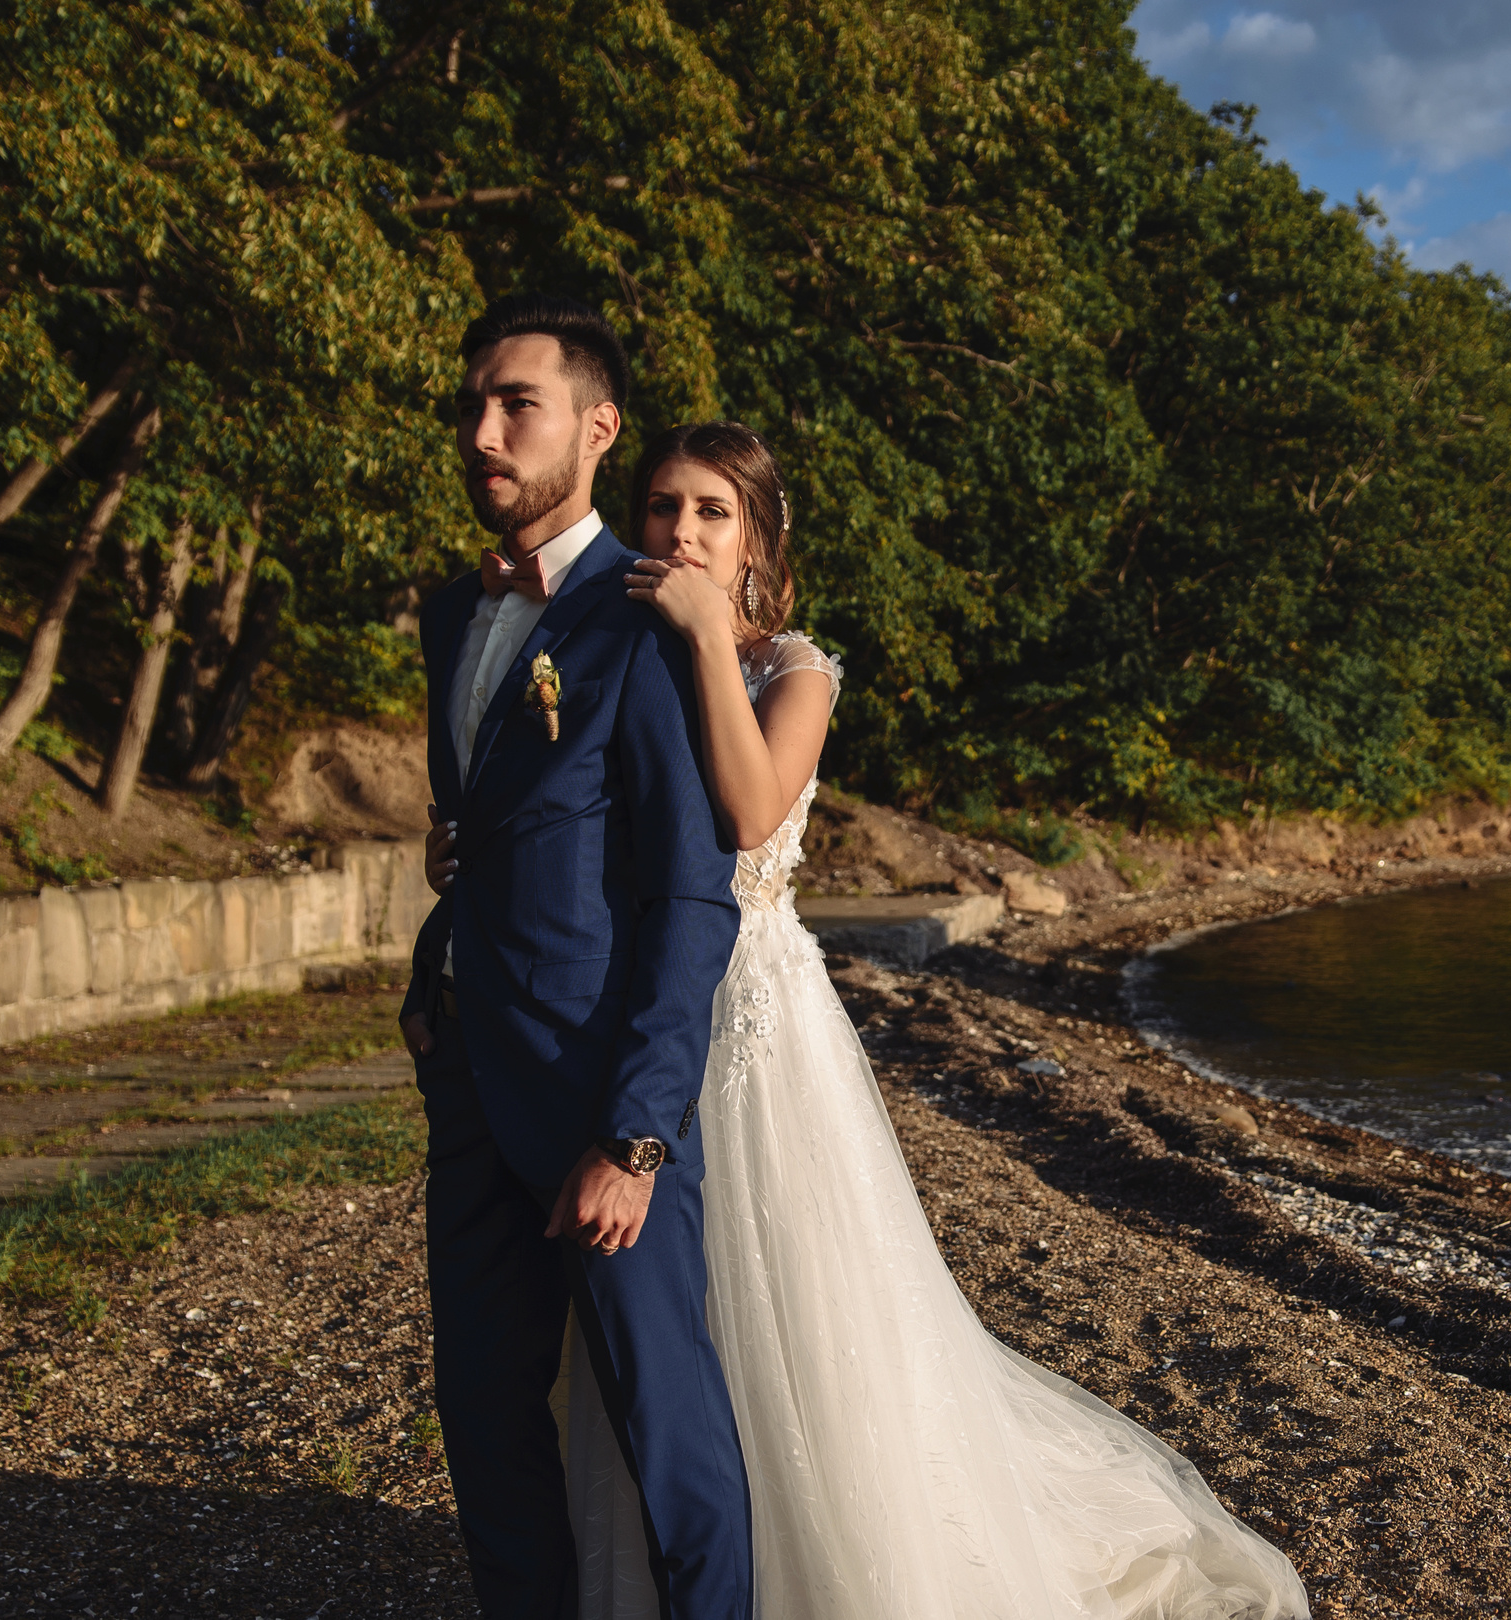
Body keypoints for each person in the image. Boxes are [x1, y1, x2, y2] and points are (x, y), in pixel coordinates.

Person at [439, 418, 1310, 1618]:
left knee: (788, 1305)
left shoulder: (794, 670)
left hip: (752, 1018)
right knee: (652, 1322)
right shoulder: (609, 641)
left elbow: (747, 816)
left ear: (758, 540)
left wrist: (705, 636)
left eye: (712, 513)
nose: (681, 532)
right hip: (634, 1012)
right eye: (662, 508)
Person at [398, 297, 757, 1619]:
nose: (483, 434)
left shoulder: (652, 617)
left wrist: (639, 1133)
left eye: (518, 407)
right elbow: (495, 821)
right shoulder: (454, 613)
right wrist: (436, 965)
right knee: (484, 1411)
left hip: (599, 1091)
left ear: (598, 430)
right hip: (469, 1078)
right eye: (472, 407)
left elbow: (691, 894)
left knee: (666, 1422)